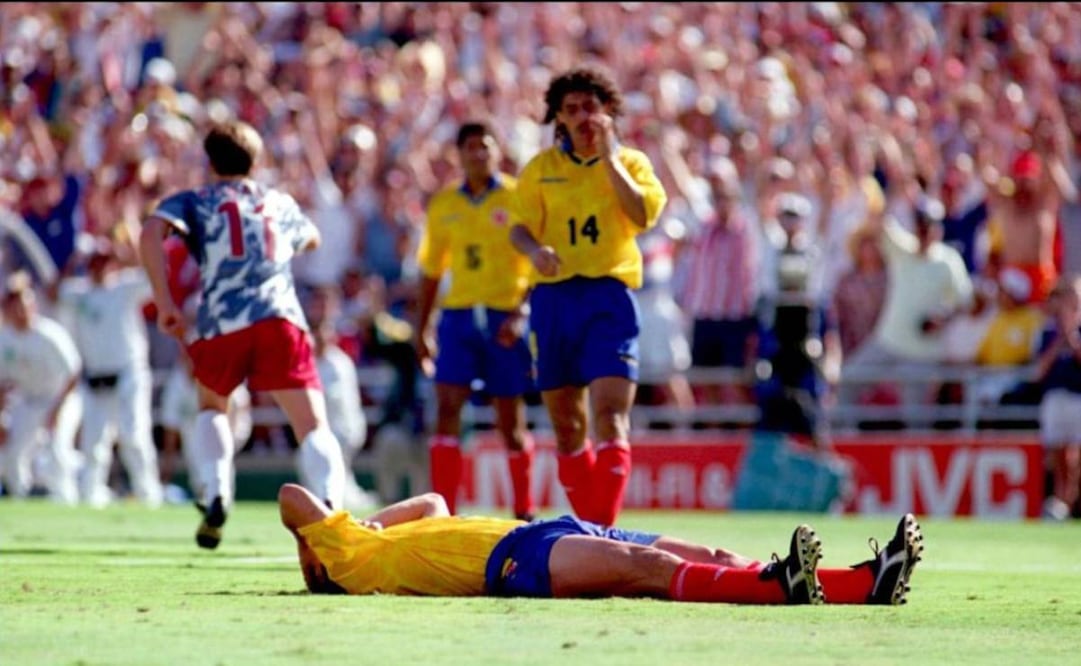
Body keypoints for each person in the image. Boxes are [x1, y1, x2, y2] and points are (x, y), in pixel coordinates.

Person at [138, 119, 347, 549]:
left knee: (212, 406)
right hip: (279, 316)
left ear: (209, 161)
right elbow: (313, 238)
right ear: (257, 160)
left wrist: (165, 302)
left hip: (222, 319)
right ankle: (330, 506)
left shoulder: (196, 200)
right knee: (311, 424)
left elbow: (150, 231)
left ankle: (216, 491)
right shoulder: (277, 201)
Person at [278, 482, 925, 606]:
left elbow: (433, 503)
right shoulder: (347, 559)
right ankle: (780, 589)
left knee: (716, 556)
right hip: (513, 562)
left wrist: (373, 522)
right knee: (647, 568)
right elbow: (291, 496)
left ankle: (865, 583)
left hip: (544, 529)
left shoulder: (362, 540)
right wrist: (327, 544)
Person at [509, 67, 668, 526]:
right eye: (572, 109)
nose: (583, 117)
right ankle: (595, 530)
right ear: (558, 118)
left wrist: (609, 158)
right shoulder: (541, 169)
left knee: (611, 415)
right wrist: (535, 251)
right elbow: (519, 228)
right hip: (554, 302)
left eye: (591, 107)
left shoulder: (632, 163)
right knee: (566, 426)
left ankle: (603, 532)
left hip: (607, 298)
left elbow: (642, 215)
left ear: (609, 112)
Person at [414, 121, 536, 520]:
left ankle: (524, 512)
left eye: (485, 146)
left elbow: (538, 262)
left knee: (509, 419)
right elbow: (431, 271)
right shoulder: (444, 204)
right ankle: (444, 513)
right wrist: (422, 328)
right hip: (459, 316)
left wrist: (521, 312)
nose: (479, 154)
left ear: (498, 151)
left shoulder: (518, 197)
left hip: (505, 316)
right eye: (470, 147)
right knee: (447, 408)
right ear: (459, 154)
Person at [54, 237, 164, 508]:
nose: (100, 267)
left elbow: (153, 276)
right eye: (95, 262)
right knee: (93, 443)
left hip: (128, 374)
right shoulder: (78, 292)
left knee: (134, 436)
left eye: (105, 261)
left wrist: (126, 254)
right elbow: (52, 292)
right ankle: (90, 496)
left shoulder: (125, 287)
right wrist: (74, 262)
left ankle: (149, 495)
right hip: (95, 379)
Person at [0, 271, 82, 504]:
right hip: (28, 401)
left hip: (60, 399)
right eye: (14, 307)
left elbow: (74, 372)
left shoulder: (49, 334)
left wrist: (56, 411)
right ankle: (20, 498)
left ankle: (67, 500)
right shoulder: (5, 339)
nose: (19, 312)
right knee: (13, 451)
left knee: (57, 448)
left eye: (23, 306)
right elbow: (3, 384)